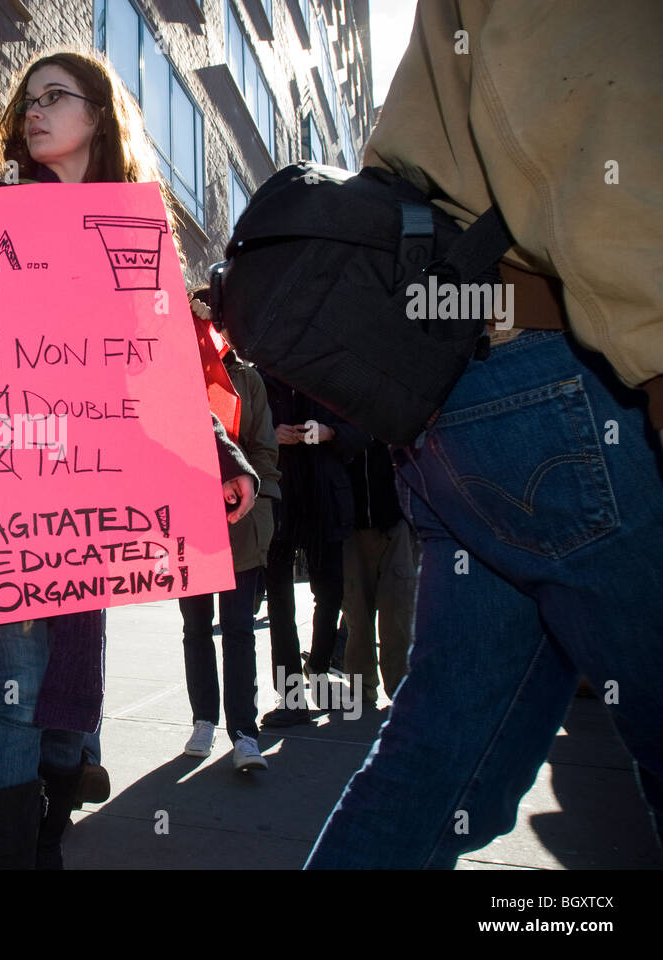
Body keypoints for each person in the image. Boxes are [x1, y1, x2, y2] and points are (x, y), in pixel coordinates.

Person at [306, 0, 662, 868]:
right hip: (562, 378)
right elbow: (589, 116)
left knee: (435, 775)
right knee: (431, 772)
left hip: (469, 392)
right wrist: (654, 348)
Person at [0, 50, 259, 869]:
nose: (35, 111)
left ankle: (49, 818)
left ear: (99, 114)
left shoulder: (136, 228)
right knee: (10, 693)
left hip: (95, 500)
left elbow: (161, 373)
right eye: (28, 100)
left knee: (64, 700)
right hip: (7, 490)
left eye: (57, 96)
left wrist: (225, 452)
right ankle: (12, 858)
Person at [179, 298, 280, 771]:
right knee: (196, 628)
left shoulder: (248, 378)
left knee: (238, 629)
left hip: (240, 523)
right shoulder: (172, 373)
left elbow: (264, 451)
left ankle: (244, 732)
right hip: (188, 524)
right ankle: (204, 718)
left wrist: (256, 504)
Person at [260, 380, 368, 727]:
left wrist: (328, 433)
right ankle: (291, 698)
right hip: (279, 503)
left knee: (331, 593)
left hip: (325, 502)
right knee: (279, 603)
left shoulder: (327, 374)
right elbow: (242, 431)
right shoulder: (262, 375)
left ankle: (318, 670)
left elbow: (361, 431)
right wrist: (272, 435)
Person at [340, 440, 416, 708]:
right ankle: (362, 687)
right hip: (351, 526)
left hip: (395, 523)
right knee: (356, 614)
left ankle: (400, 687)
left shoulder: (392, 414)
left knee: (397, 610)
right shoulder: (340, 416)